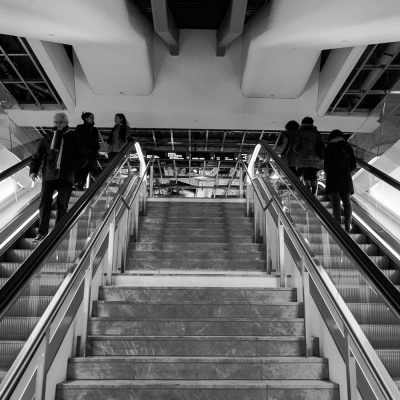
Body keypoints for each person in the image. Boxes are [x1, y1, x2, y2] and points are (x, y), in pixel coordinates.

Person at [29, 112, 87, 242]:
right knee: (44, 203)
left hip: (66, 176)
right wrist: (33, 171)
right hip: (49, 175)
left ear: (66, 122)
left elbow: (84, 158)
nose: (57, 124)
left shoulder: (74, 137)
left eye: (60, 122)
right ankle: (41, 233)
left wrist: (72, 167)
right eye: (55, 122)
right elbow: (37, 156)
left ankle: (57, 233)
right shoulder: (47, 137)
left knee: (62, 204)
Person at [324, 129, 356, 233]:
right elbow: (353, 164)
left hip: (333, 179)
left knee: (335, 203)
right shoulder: (348, 147)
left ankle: (337, 227)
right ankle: (348, 224)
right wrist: (346, 171)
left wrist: (331, 172)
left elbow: (326, 166)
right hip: (345, 178)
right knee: (347, 202)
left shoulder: (329, 148)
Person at [294, 116, 324, 195]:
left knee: (306, 175)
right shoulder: (316, 132)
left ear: (303, 123)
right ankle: (314, 191)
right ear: (311, 123)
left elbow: (295, 146)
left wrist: (297, 152)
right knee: (313, 175)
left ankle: (307, 192)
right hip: (316, 159)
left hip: (303, 158)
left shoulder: (300, 132)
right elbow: (321, 145)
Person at [74, 111, 100, 190]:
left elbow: (96, 141)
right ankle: (78, 183)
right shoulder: (79, 128)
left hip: (91, 154)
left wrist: (96, 149)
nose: (93, 119)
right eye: (91, 118)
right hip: (82, 153)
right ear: (86, 118)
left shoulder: (94, 130)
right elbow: (76, 140)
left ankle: (80, 184)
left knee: (87, 169)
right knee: (82, 168)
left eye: (93, 118)